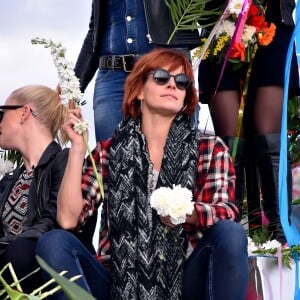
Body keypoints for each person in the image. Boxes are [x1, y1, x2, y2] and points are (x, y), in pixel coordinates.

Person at [37, 48, 248, 300]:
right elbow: (69, 219)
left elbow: (226, 212)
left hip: (184, 280)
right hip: (118, 282)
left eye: (182, 82)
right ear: (139, 91)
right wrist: (77, 149)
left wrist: (188, 214)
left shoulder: (209, 148)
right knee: (53, 242)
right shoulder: (108, 151)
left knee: (230, 233)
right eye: (161, 77)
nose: (172, 85)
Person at [198, 0, 299, 244]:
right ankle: (235, 235)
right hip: (220, 23)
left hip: (272, 22)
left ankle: (279, 234)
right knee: (232, 140)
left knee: (268, 135)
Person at [74, 0, 203, 141]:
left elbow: (206, 12)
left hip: (167, 74)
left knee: (176, 155)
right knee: (110, 156)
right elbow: (95, 32)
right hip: (112, 78)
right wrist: (72, 88)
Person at [0, 85, 70, 292]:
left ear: (24, 113)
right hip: (10, 272)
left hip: (44, 272)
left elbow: (54, 221)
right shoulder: (10, 179)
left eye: (2, 113)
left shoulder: (65, 161)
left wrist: (7, 245)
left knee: (20, 251)